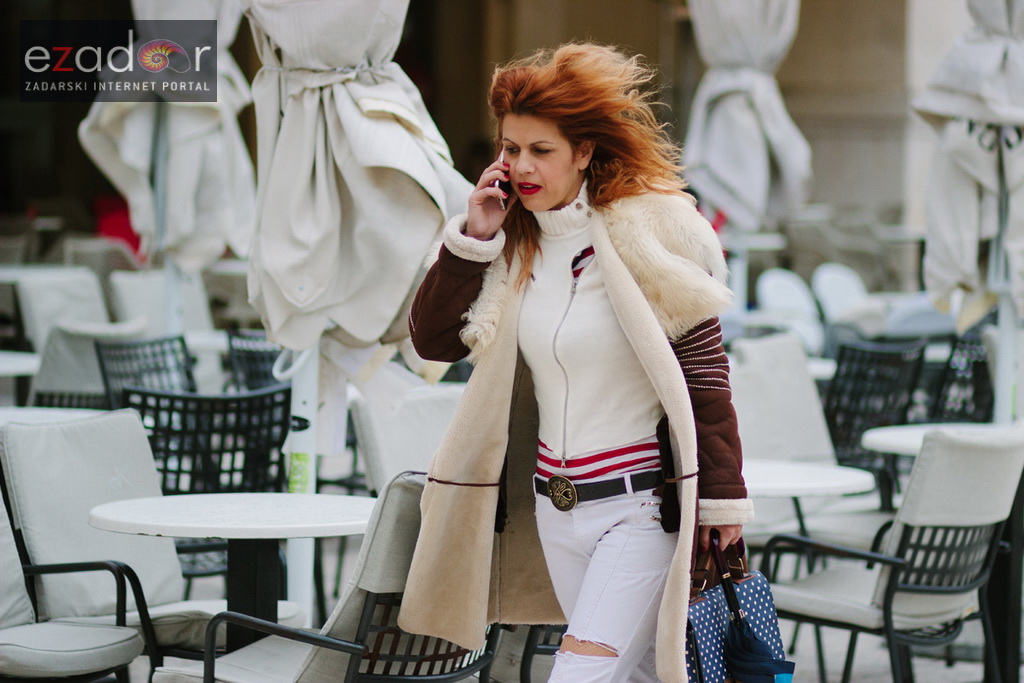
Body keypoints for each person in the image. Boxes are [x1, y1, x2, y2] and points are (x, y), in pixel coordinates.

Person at [398, 42, 751, 683]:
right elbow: (434, 341)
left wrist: (722, 501)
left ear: (584, 151)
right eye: (511, 149)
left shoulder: (652, 232)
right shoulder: (510, 243)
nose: (521, 166)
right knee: (634, 674)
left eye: (541, 150)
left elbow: (704, 374)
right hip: (553, 508)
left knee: (577, 676)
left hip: (641, 510)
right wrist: (475, 238)